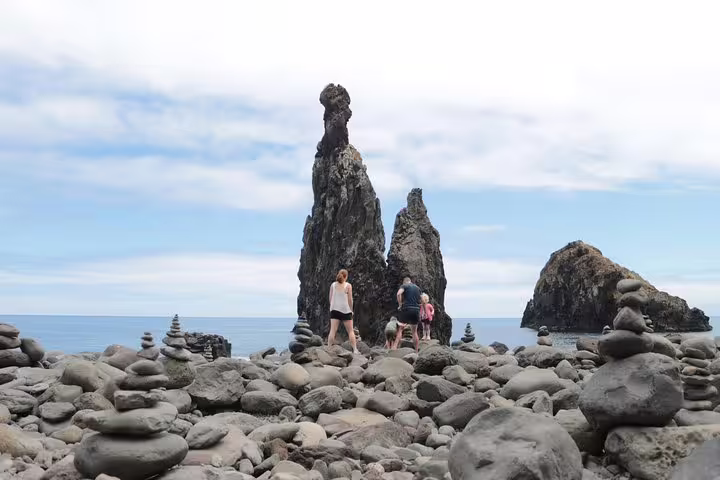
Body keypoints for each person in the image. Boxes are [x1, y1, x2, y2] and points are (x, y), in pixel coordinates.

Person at [328, 269, 359, 354]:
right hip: (346, 311)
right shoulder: (348, 286)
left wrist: (332, 307)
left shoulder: (333, 285)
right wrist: (351, 310)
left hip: (334, 310)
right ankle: (355, 350)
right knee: (350, 331)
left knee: (332, 331)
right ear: (346, 276)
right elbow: (350, 300)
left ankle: (328, 349)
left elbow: (330, 298)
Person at [393, 276, 422, 351]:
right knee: (414, 332)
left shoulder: (404, 285)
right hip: (416, 310)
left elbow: (398, 294)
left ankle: (394, 348)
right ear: (410, 281)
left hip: (406, 309)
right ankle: (416, 351)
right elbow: (421, 300)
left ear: (405, 281)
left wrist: (400, 305)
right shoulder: (418, 288)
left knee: (400, 329)